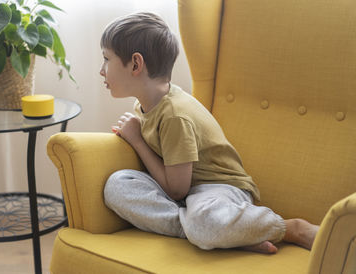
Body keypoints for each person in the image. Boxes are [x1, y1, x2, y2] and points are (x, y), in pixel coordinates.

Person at [99, 12, 319, 254]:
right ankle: (225, 234)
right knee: (117, 185)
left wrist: (138, 141)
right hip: (186, 195)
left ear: (136, 64)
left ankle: (289, 228)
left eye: (107, 59)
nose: (102, 70)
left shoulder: (174, 115)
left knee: (205, 219)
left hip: (219, 189)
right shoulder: (146, 105)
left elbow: (176, 191)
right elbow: (176, 188)